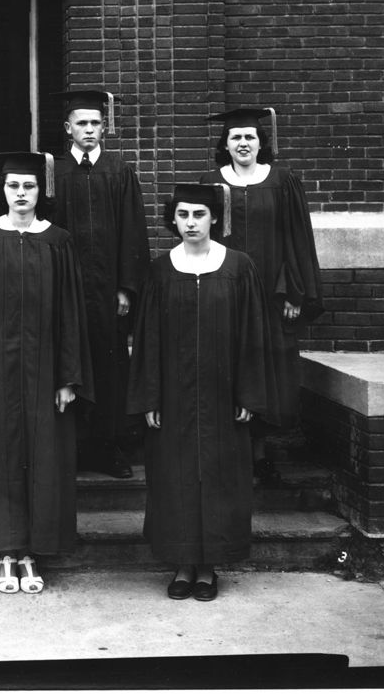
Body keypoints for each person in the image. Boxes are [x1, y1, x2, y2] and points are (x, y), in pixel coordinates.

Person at [0, 152, 92, 595]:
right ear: (3, 190)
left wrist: (69, 377)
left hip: (45, 373)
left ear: (40, 191)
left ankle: (31, 552)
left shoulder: (58, 241)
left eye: (29, 187)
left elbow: (71, 313)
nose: (21, 194)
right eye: (13, 186)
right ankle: (4, 552)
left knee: (41, 457)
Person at [126, 184, 274, 602]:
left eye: (200, 214)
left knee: (221, 477)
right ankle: (183, 561)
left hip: (223, 396)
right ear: (173, 219)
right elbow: (147, 339)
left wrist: (249, 393)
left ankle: (209, 566)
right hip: (173, 398)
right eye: (184, 215)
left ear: (214, 219)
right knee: (174, 477)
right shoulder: (159, 270)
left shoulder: (239, 267)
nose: (191, 222)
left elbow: (252, 336)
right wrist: (149, 398)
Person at [198, 108, 323, 483]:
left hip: (273, 295)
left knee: (267, 372)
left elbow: (295, 239)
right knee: (226, 366)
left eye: (249, 137)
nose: (242, 143)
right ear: (225, 144)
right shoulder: (211, 182)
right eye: (235, 137)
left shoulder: (282, 181)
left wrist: (293, 292)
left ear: (261, 142)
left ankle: (261, 454)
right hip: (226, 292)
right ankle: (228, 454)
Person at [50, 89, 150, 479]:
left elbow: (133, 233)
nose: (88, 130)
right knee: (70, 363)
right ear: (68, 128)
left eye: (95, 123)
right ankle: (72, 448)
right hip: (66, 290)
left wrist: (126, 287)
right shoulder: (54, 172)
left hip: (108, 291)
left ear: (104, 127)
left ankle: (110, 447)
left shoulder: (119, 171)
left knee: (109, 368)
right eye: (81, 124)